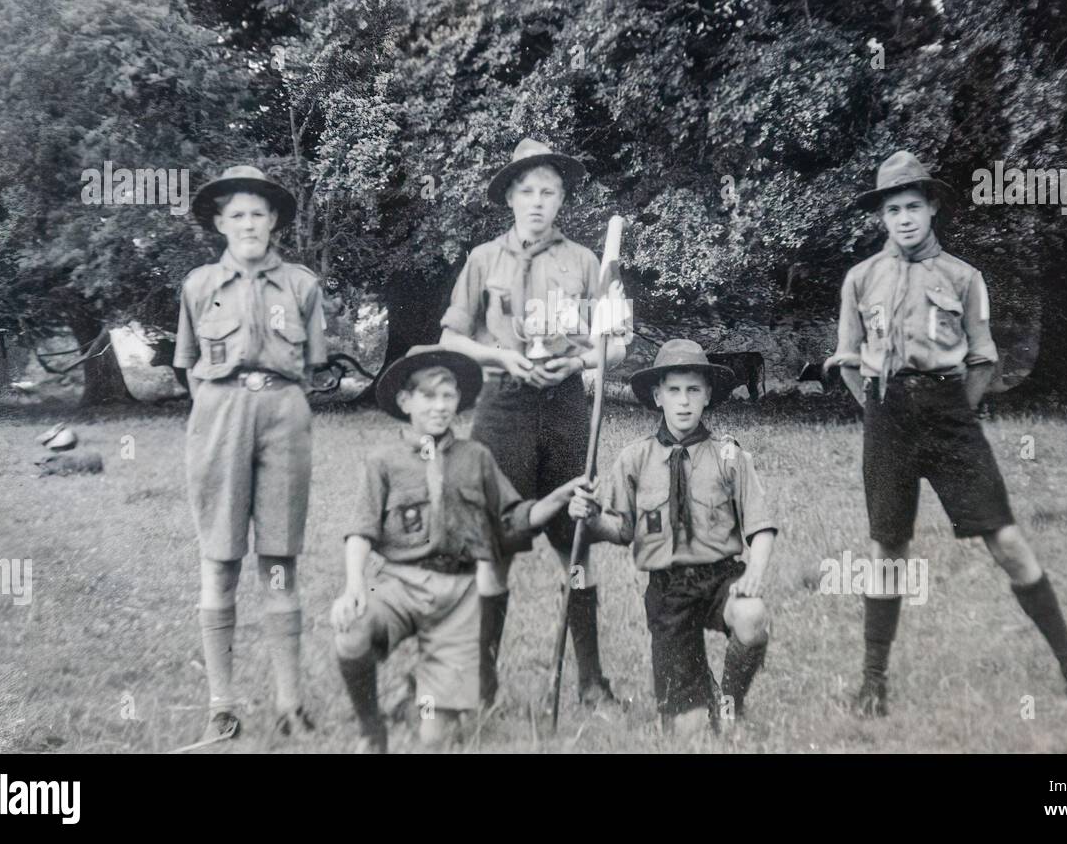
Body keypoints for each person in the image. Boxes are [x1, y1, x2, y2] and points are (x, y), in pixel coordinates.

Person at [825, 150, 1067, 716]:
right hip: (888, 419)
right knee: (887, 547)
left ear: (932, 208)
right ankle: (873, 684)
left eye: (913, 206)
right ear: (881, 215)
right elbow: (848, 359)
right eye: (892, 209)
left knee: (1004, 538)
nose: (904, 218)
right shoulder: (860, 279)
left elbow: (983, 358)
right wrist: (878, 410)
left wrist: (955, 409)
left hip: (949, 415)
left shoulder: (963, 277)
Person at [438, 138, 626, 710]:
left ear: (562, 197)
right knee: (495, 541)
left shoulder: (587, 263)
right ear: (510, 199)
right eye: (527, 191)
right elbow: (450, 339)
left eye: (548, 190)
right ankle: (484, 684)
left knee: (575, 538)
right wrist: (501, 358)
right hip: (503, 406)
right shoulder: (482, 260)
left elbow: (617, 344)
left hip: (567, 406)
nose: (537, 202)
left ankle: (591, 681)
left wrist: (579, 360)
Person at [331, 346, 587, 751]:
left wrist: (556, 500)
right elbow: (361, 530)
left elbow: (512, 516)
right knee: (352, 632)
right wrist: (353, 586)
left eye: (448, 396)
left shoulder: (477, 458)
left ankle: (422, 699)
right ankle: (371, 727)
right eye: (428, 396)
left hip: (457, 597)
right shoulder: (382, 461)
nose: (439, 406)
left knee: (435, 737)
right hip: (397, 584)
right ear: (405, 401)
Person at [174, 164, 327, 742]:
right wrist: (225, 406)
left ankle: (290, 702)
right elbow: (189, 368)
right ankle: (222, 704)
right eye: (236, 214)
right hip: (219, 417)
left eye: (258, 214)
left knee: (281, 562)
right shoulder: (198, 286)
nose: (248, 224)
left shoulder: (302, 286)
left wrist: (271, 402)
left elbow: (309, 368)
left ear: (274, 222)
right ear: (219, 222)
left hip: (284, 416)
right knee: (220, 559)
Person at [571, 339, 775, 734]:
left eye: (693, 390)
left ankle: (730, 704)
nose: (684, 402)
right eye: (674, 391)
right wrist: (591, 518)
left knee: (751, 615)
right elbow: (620, 530)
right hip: (666, 593)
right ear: (657, 396)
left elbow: (761, 526)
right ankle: (701, 695)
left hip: (720, 578)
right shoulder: (634, 459)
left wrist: (755, 574)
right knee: (689, 730)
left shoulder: (728, 455)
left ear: (708, 395)